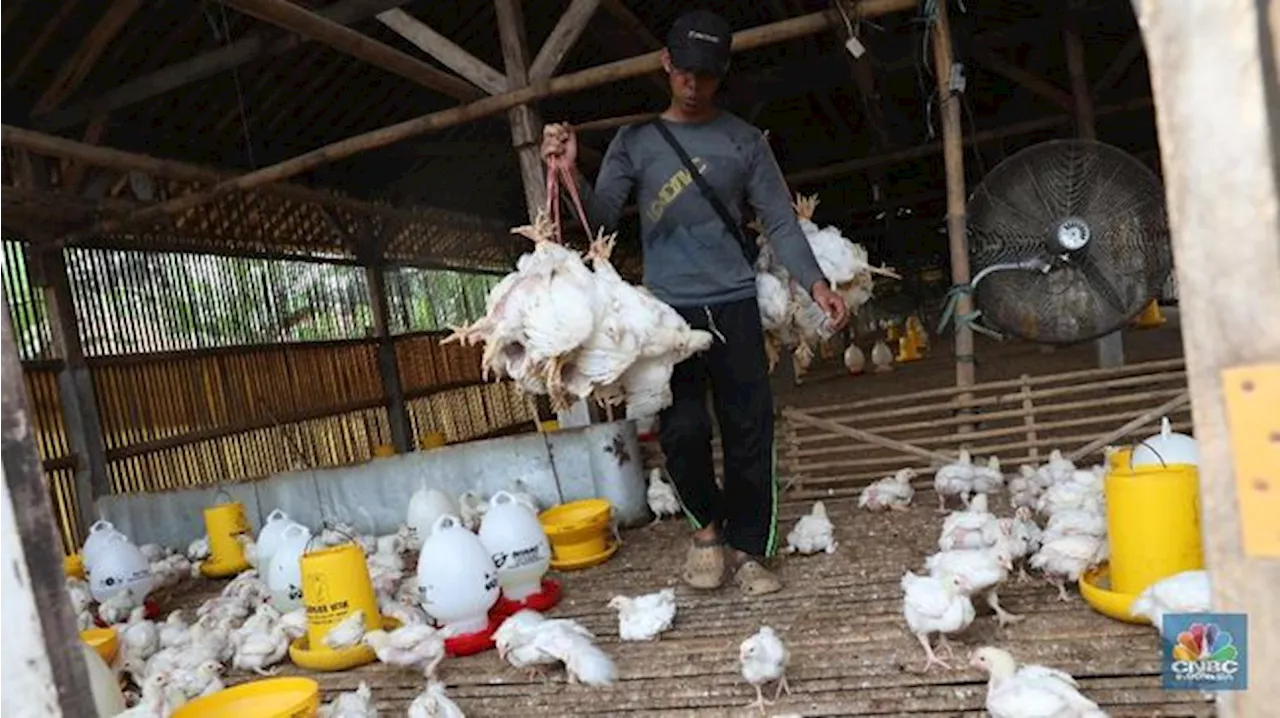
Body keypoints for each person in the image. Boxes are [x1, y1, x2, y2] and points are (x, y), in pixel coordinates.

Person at [539, 8, 848, 596]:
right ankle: (707, 529)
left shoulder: (744, 142)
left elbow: (780, 224)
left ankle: (751, 548)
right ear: (666, 64)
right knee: (680, 430)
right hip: (667, 316)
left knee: (748, 429)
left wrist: (816, 285)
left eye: (705, 74)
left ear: (721, 72)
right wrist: (573, 174)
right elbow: (598, 223)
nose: (692, 83)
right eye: (683, 70)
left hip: (733, 302)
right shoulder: (636, 143)